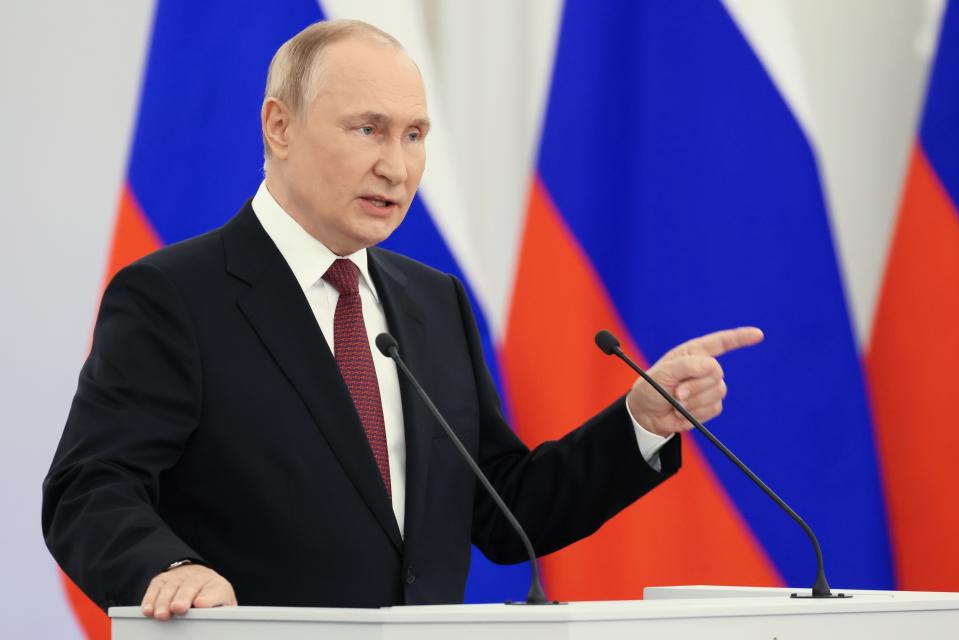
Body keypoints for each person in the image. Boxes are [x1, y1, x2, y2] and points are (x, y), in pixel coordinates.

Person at [42, 19, 763, 621]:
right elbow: (89, 488)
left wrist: (640, 420)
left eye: (414, 135)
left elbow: (505, 508)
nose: (397, 166)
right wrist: (167, 568)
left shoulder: (432, 301)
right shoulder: (174, 296)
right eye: (368, 130)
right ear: (279, 126)